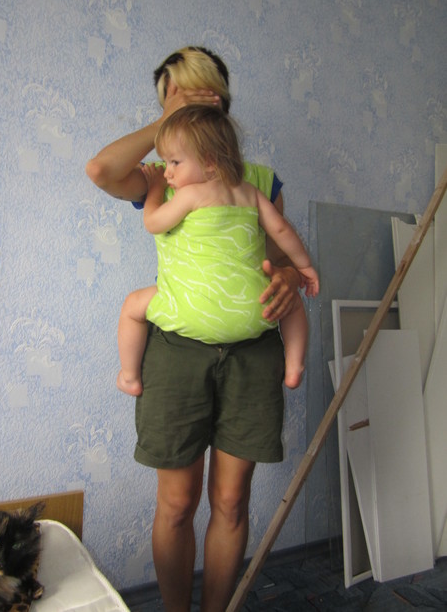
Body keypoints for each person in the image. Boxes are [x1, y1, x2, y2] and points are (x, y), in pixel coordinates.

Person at [86, 46, 316, 612]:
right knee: (177, 503)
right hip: (177, 354)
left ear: (219, 95)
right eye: (170, 96)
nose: (180, 100)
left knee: (231, 502)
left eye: (191, 89)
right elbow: (100, 171)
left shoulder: (259, 181)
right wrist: (165, 128)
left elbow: (275, 253)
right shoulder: (161, 175)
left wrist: (292, 275)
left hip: (251, 353)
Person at [116, 104, 319, 398]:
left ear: (210, 162)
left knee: (132, 306)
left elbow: (153, 222)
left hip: (192, 310)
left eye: (175, 162)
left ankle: (129, 376)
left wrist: (156, 188)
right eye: (165, 163)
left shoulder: (190, 194)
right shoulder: (250, 192)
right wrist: (305, 266)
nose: (168, 172)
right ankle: (294, 367)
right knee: (293, 304)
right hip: (253, 309)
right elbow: (281, 231)